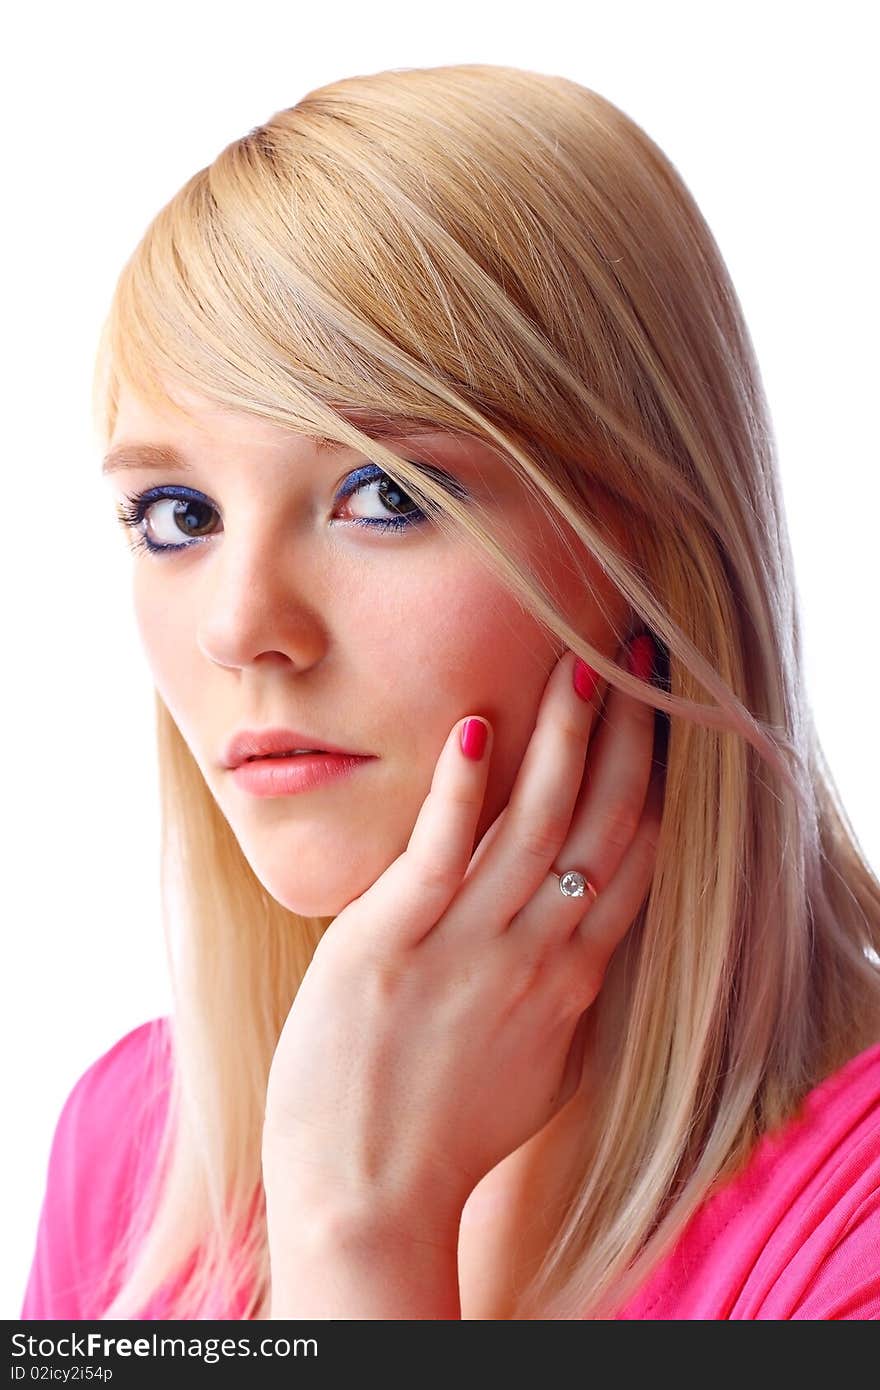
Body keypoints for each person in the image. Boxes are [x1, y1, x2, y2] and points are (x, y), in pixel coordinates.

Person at [21, 63, 880, 1322]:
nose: (240, 625)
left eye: (385, 492)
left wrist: (363, 1233)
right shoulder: (131, 1144)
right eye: (178, 513)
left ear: (651, 559)